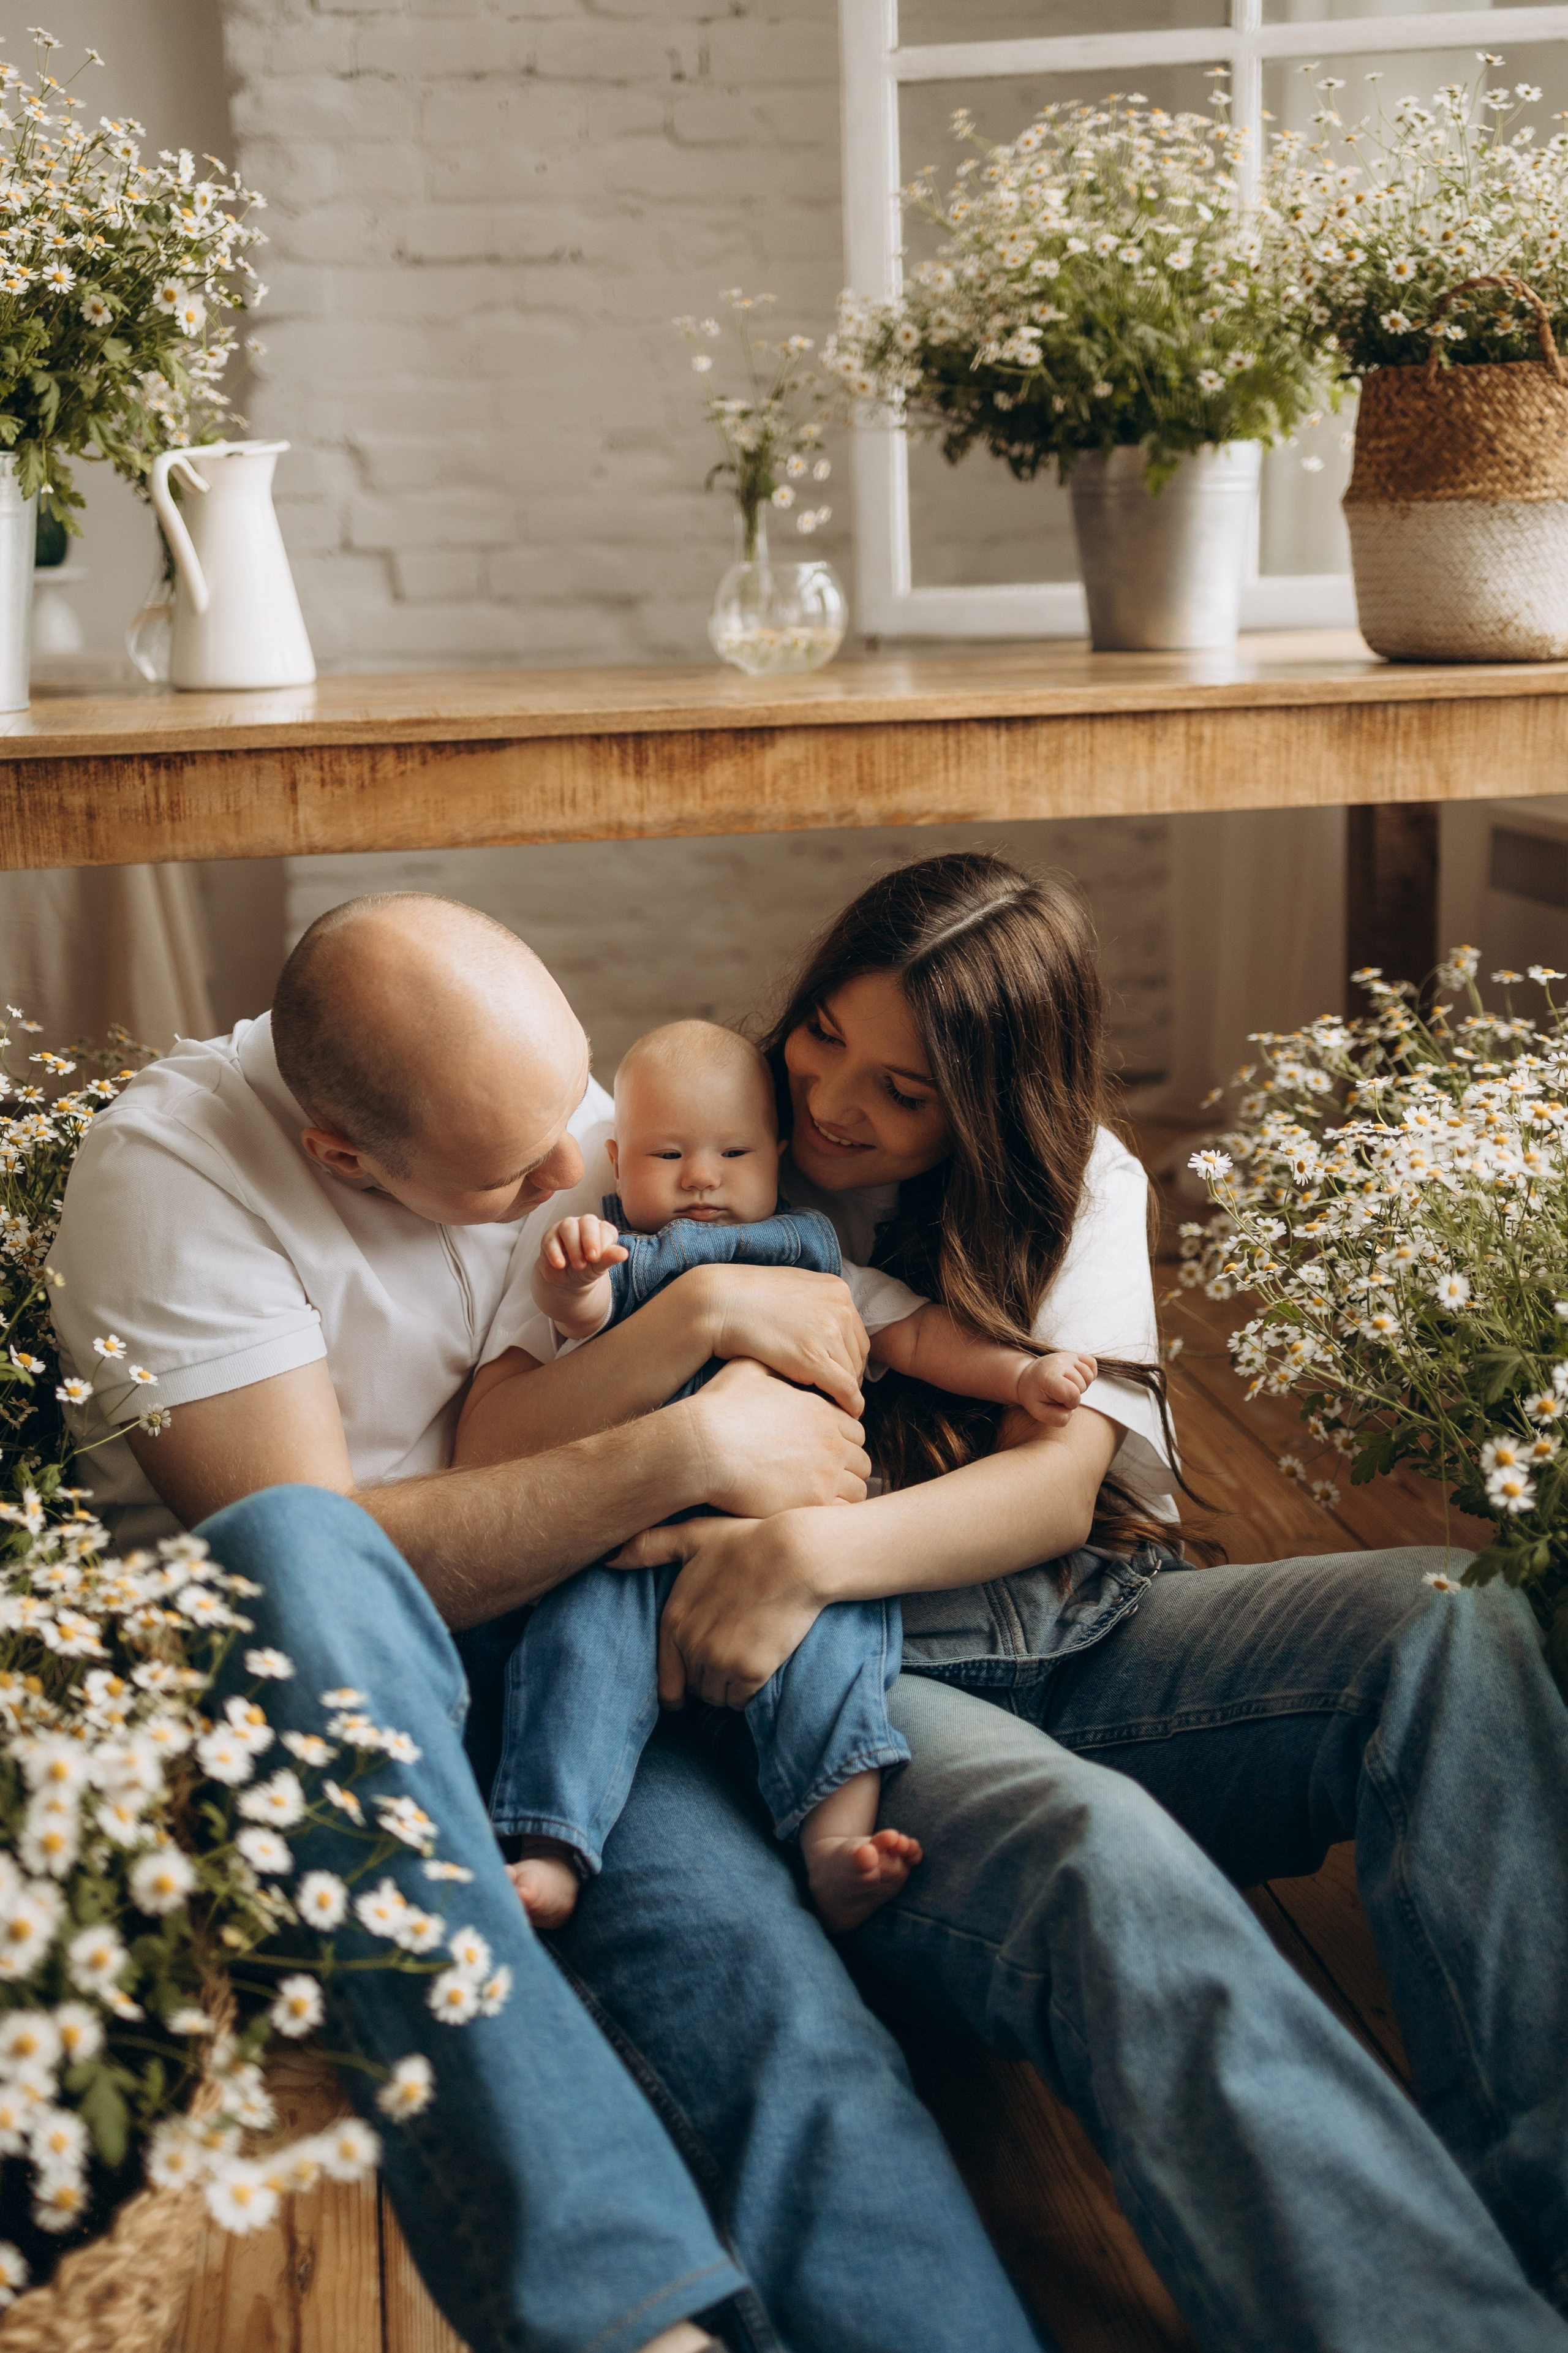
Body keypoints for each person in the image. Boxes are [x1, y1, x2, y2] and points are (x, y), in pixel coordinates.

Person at [463, 850, 1568, 2352]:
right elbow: (494, 1448)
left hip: (1069, 1619)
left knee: (1450, 1612)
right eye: (823, 1034)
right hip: (857, 1699)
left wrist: (802, 1552)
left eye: (906, 1090)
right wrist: (703, 1311)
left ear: (994, 1103)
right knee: (1095, 1850)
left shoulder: (1078, 1180)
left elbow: (1054, 1494)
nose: (833, 1100)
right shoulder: (683, 1145)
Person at [47, 893, 1049, 2353]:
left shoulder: (527, 1108)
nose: (560, 1176)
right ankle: (626, 2316)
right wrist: (690, 1440)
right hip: (375, 1697)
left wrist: (722, 1347)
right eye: (507, 1175)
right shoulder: (174, 1179)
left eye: (571, 1116)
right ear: (343, 1157)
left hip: (608, 1625)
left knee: (796, 2031)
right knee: (292, 1540)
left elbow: (628, 1347)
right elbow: (317, 1577)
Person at [494, 1016, 1095, 1933]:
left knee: (841, 1654)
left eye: (733, 1153)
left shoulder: (812, 1250)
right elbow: (578, 1318)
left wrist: (1018, 1374)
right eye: (668, 1155)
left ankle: (836, 1843)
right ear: (618, 1160)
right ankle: (551, 1843)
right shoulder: (620, 1247)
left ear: (777, 1154)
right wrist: (569, 1278)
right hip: (630, 1539)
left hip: (795, 1536)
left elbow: (914, 1334)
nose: (702, 1177)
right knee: (573, 1652)